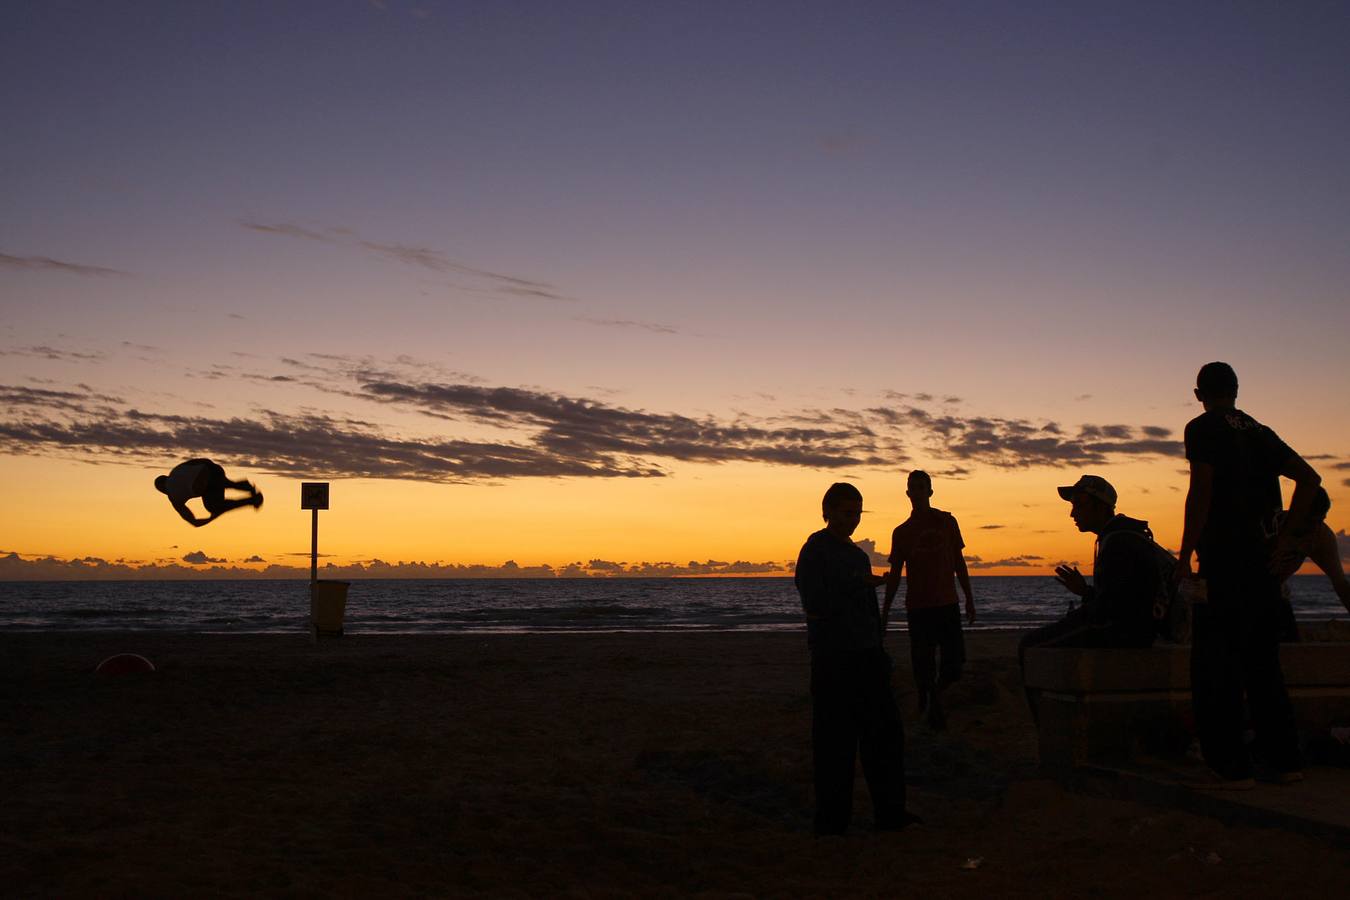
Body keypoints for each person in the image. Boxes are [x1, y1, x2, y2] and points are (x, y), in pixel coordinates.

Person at [1176, 361, 1322, 789]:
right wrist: (1287, 538)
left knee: (1215, 664)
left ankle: (1230, 765)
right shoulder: (1260, 431)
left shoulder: (1202, 428)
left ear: (1199, 393)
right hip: (1263, 565)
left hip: (1223, 561)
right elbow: (1309, 479)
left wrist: (1185, 553)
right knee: (1263, 666)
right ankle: (1285, 761)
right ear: (1236, 390)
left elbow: (1200, 490)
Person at [795, 482, 916, 835]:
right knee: (835, 742)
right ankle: (833, 821)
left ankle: (890, 813)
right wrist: (857, 586)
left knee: (884, 738)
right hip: (833, 657)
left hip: (866, 655)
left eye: (857, 513)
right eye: (847, 513)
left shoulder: (858, 556)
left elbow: (866, 611)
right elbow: (814, 604)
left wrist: (878, 648)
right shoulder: (816, 549)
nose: (852, 520)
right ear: (828, 511)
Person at [1018, 475, 1160, 723]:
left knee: (1029, 647)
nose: (1073, 514)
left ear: (1101, 506)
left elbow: (1110, 611)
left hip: (1123, 632)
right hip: (1130, 627)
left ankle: (1048, 727)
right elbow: (1121, 597)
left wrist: (1082, 611)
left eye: (1079, 505)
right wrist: (1086, 593)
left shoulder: (1118, 542)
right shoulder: (1120, 536)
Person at [881, 470, 975, 730]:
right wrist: (886, 610)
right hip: (919, 608)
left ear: (930, 492)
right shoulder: (902, 532)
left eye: (923, 487)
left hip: (947, 603)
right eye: (914, 487)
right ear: (908, 493)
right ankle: (927, 704)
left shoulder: (947, 522)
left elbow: (959, 562)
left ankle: (935, 698)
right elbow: (896, 574)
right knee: (922, 666)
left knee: (954, 663)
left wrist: (969, 598)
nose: (918, 492)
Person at [154, 458, 263, 527]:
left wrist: (212, 517)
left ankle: (253, 499)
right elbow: (204, 462)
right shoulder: (176, 470)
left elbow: (194, 522)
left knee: (213, 506)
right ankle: (242, 486)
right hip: (213, 471)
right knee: (219, 484)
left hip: (208, 480)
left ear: (164, 491)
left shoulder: (174, 498)